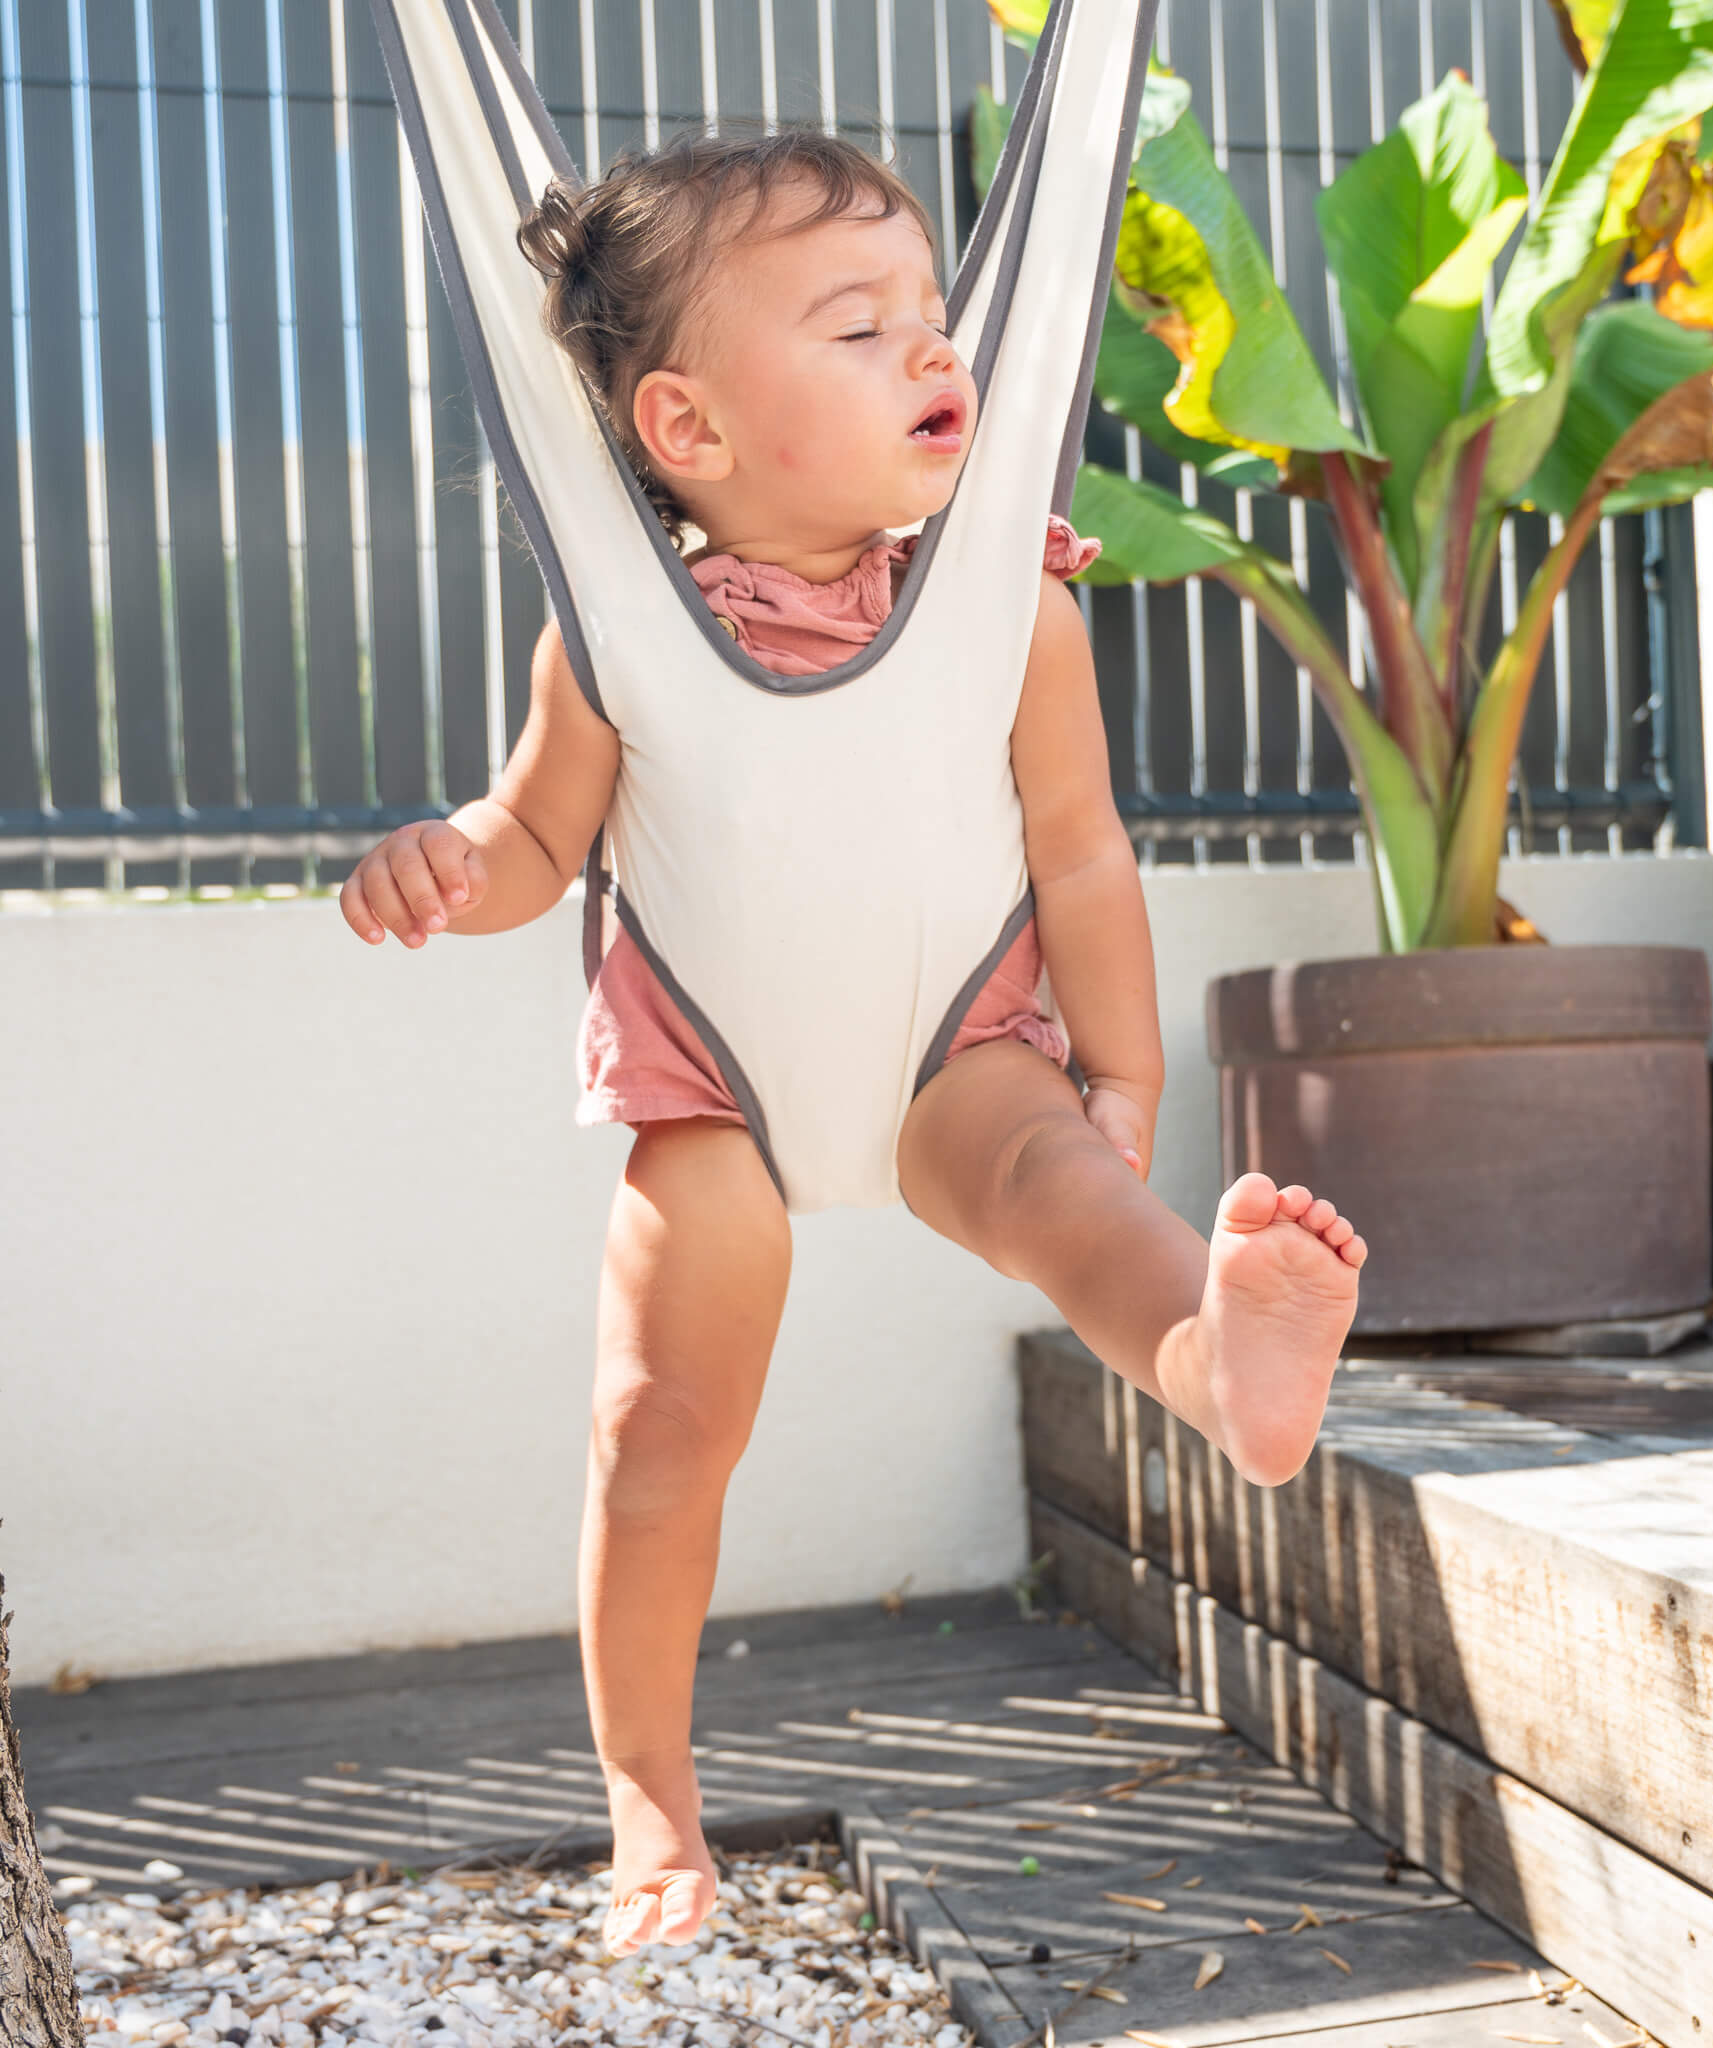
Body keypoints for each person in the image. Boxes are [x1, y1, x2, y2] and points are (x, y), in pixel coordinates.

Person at [339, 127, 1365, 1963]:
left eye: (933, 316)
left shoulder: (1004, 607)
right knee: (656, 1433)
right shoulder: (621, 635)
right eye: (857, 325)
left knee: (1061, 1184)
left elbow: (1082, 854)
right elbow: (534, 843)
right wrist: (447, 868)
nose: (932, 352)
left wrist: (1120, 1077)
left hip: (955, 1049)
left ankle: (1223, 1371)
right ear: (690, 429)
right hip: (714, 1089)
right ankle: (652, 1797)